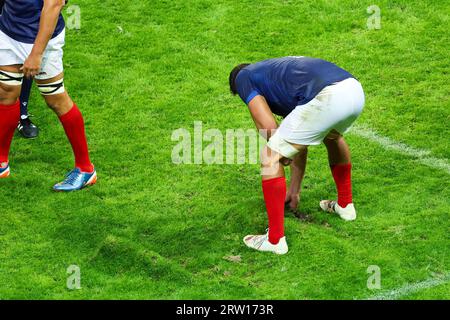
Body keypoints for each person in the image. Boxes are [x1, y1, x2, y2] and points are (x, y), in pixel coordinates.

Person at [229, 56, 365, 254]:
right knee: (333, 137)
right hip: (354, 90)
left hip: (328, 96)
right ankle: (345, 205)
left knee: (269, 157)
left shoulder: (243, 77)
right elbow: (299, 138)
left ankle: (275, 240)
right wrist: (294, 189)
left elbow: (268, 127)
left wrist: (279, 155)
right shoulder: (278, 77)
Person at [0, 0, 97, 191]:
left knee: (56, 99)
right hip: (9, 30)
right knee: (6, 92)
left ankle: (86, 169)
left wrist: (37, 54)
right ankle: (1, 161)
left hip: (42, 39)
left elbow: (54, 5)